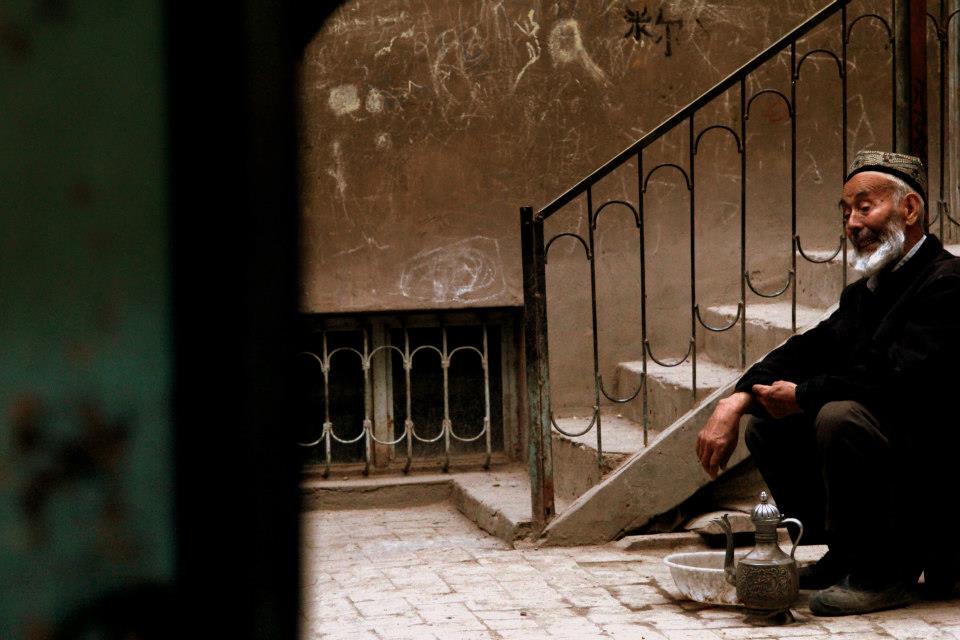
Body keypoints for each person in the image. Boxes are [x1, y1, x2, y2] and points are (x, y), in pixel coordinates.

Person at [695, 150, 960, 616]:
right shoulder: (867, 291)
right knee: (768, 423)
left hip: (939, 471)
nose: (853, 224)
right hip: (901, 450)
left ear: (910, 210)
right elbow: (807, 349)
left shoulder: (947, 282)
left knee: (839, 416)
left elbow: (898, 379)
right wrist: (735, 401)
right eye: (846, 212)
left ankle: (885, 573)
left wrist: (803, 395)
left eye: (864, 207)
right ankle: (847, 554)